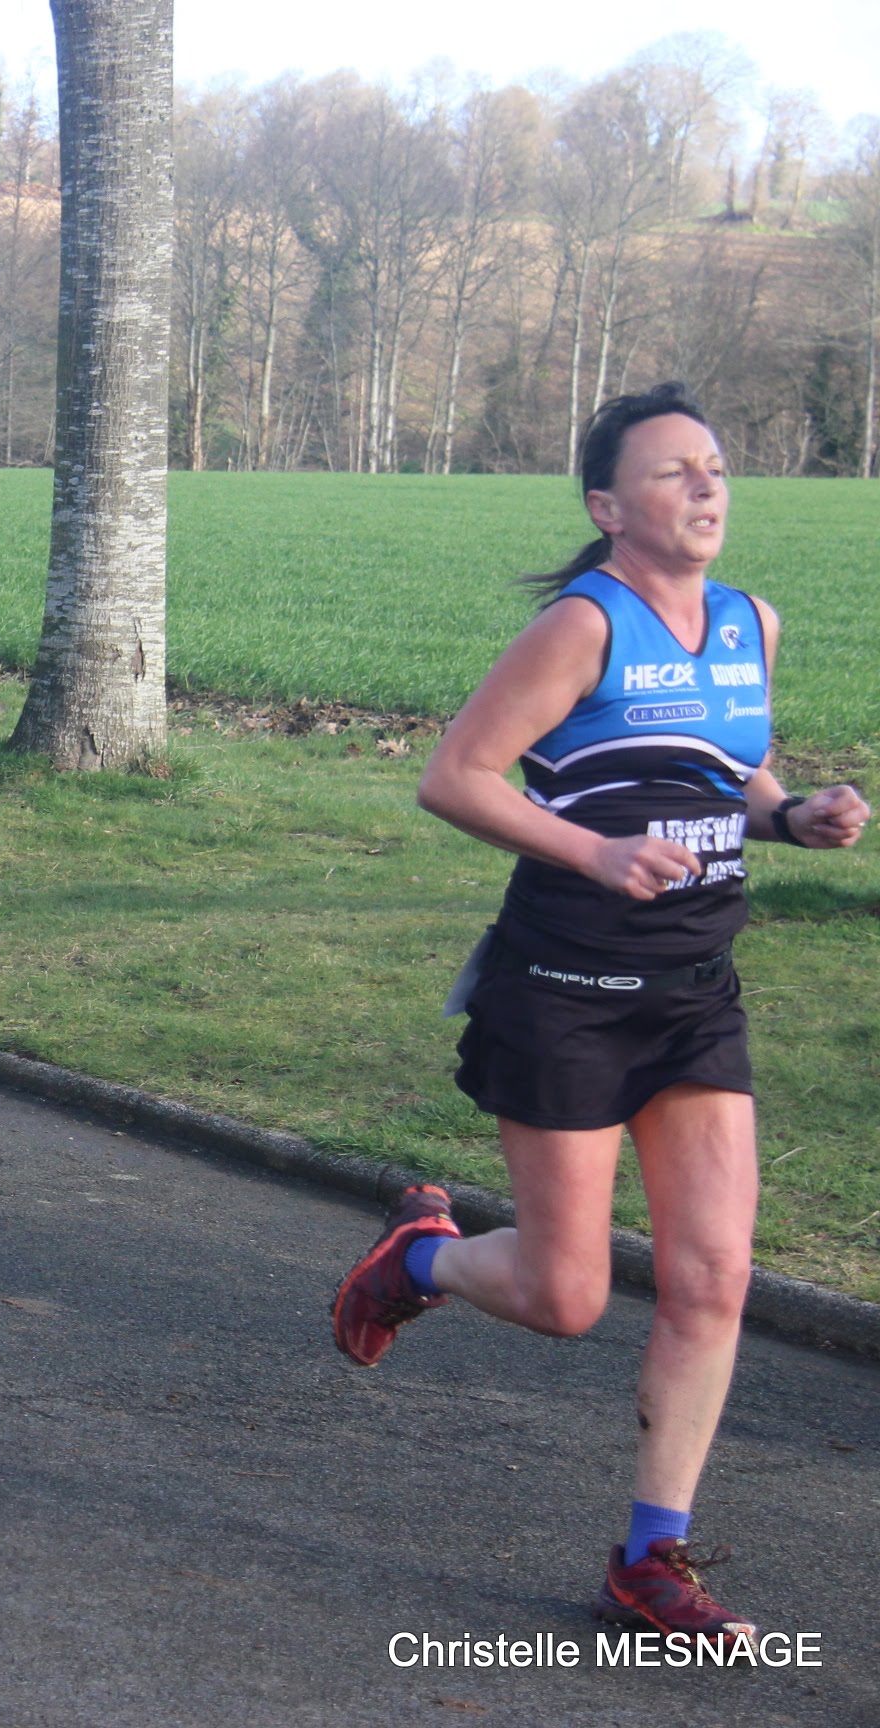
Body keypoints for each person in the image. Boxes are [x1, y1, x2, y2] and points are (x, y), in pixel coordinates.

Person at [330, 382, 869, 1645]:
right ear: (608, 506)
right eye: (674, 470)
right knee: (565, 1295)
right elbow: (454, 777)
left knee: (713, 1278)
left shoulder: (749, 623)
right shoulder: (583, 627)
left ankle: (648, 1562)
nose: (706, 486)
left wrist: (790, 815)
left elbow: (723, 766)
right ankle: (418, 1258)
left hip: (694, 993)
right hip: (566, 993)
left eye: (715, 465)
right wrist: (593, 853)